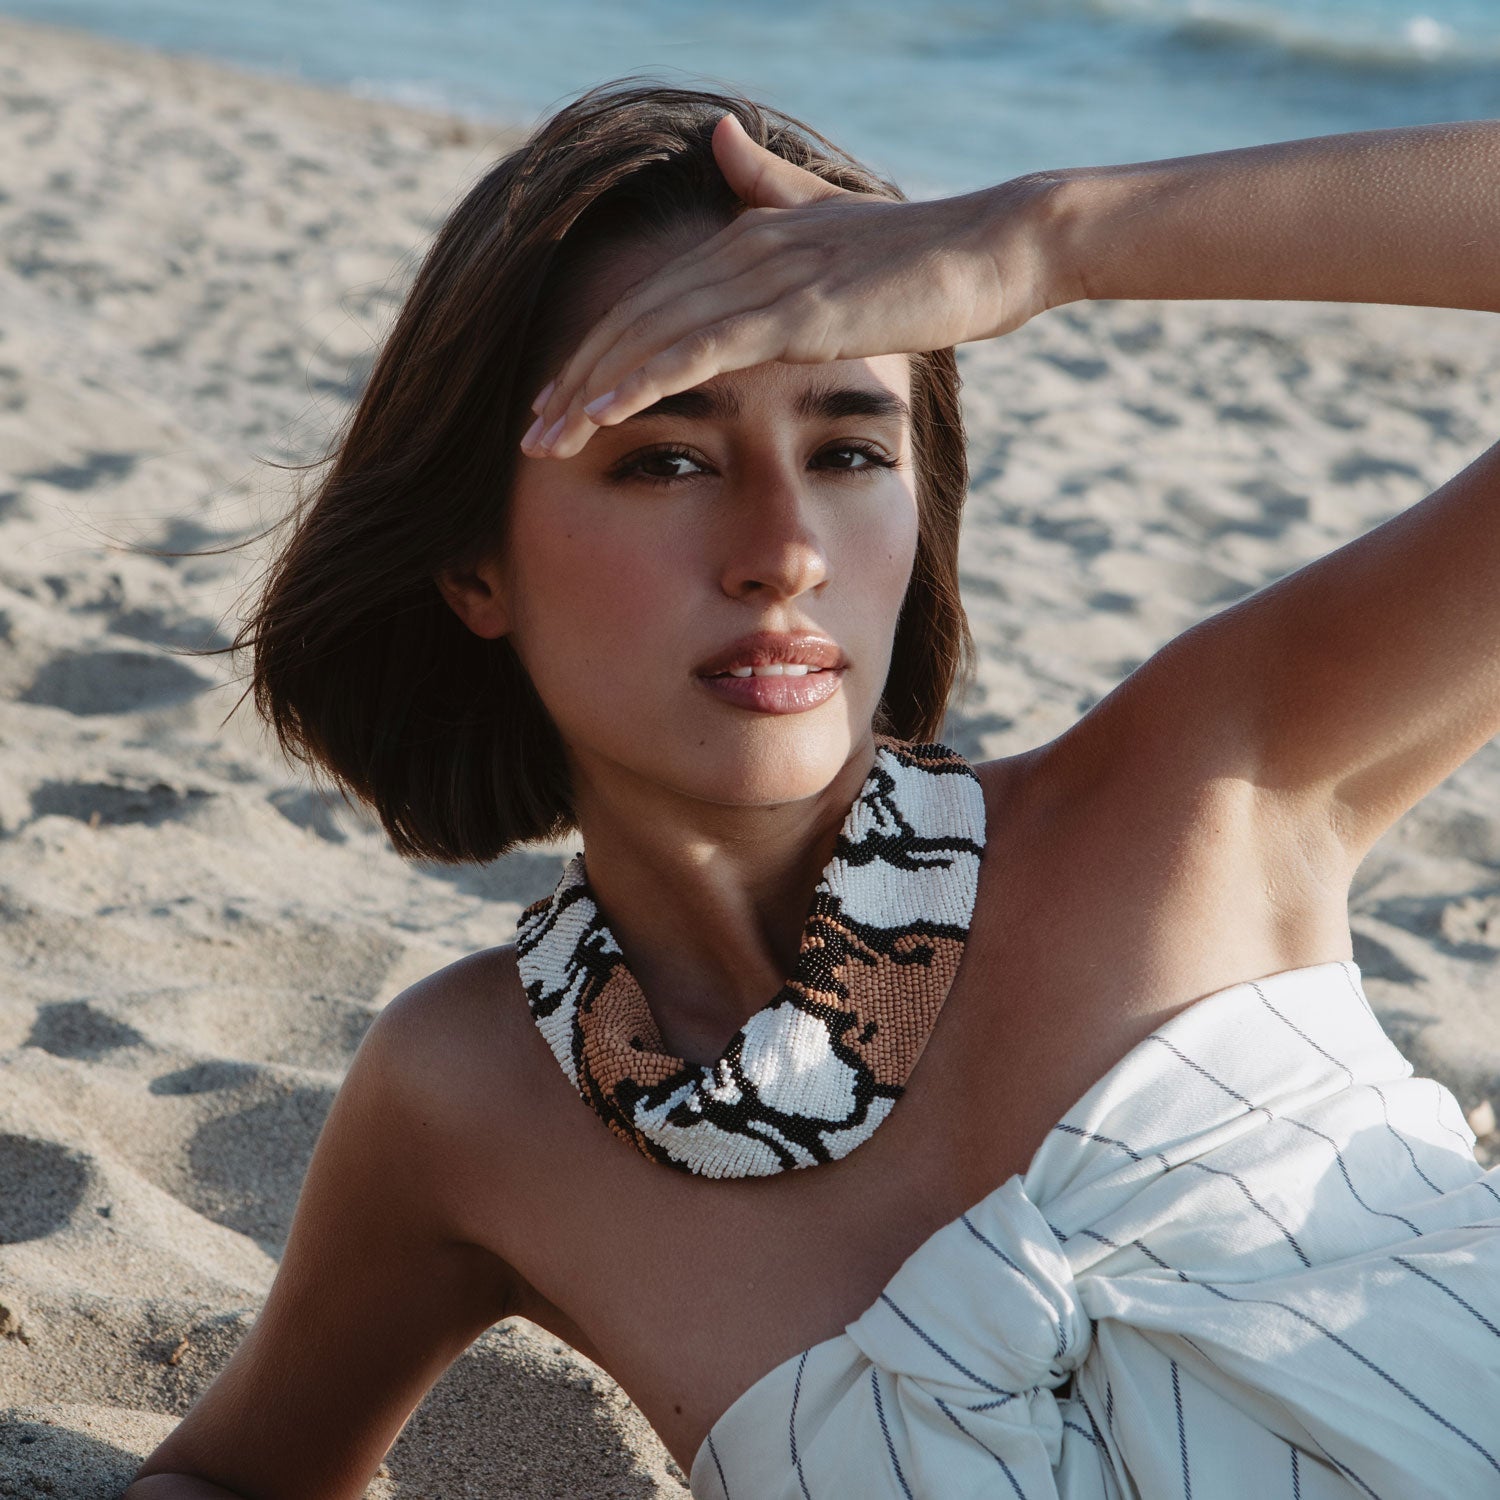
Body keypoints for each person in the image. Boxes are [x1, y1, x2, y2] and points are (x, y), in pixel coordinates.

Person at [127, 77, 1500, 1500]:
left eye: (848, 451)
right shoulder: (474, 1103)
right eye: (667, 459)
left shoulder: (1204, 798)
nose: (784, 552)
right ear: (478, 567)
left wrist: (1049, 238)